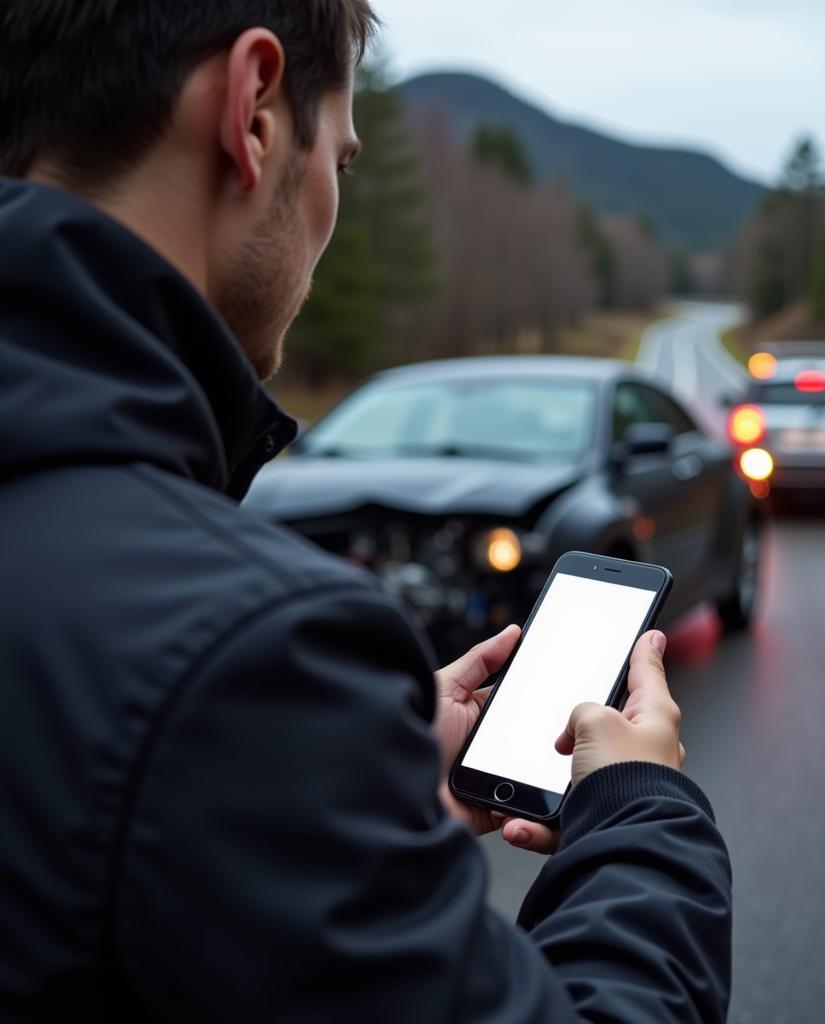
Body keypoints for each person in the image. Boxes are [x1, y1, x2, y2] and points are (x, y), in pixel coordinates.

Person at [0, 2, 732, 1021]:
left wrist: (334, 790)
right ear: (252, 111)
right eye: (337, 161)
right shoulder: (241, 655)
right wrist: (640, 811)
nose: (329, 209)